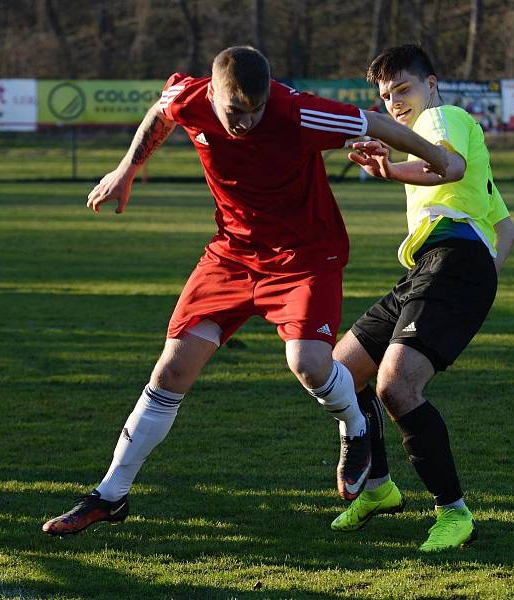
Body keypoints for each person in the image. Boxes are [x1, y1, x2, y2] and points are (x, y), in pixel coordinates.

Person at [41, 45, 453, 536]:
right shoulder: (189, 96)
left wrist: (439, 159)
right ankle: (110, 495)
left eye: (257, 110)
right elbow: (159, 112)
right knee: (171, 369)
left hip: (305, 256)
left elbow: (374, 123)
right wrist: (126, 168)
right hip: (231, 256)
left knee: (309, 365)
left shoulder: (297, 111)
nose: (247, 122)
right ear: (211, 93)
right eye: (236, 112)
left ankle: (357, 427)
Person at [329, 45, 514, 552]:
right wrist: (482, 282)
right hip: (431, 269)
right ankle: (378, 488)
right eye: (386, 96)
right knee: (340, 375)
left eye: (403, 88)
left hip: (453, 263)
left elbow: (449, 167)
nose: (395, 102)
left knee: (396, 385)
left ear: (431, 85)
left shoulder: (444, 117)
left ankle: (454, 514)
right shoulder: (436, 140)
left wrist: (389, 171)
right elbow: (507, 228)